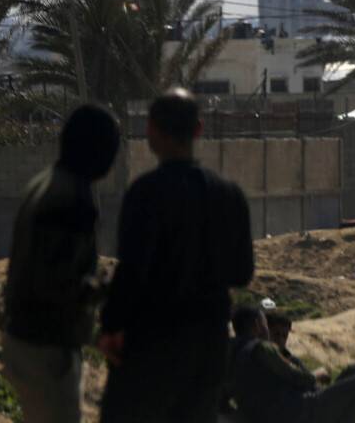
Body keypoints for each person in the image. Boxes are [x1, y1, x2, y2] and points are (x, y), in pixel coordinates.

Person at [98, 89, 255, 423]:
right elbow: (242, 273)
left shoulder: (145, 193)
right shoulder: (230, 196)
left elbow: (132, 271)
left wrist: (111, 326)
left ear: (152, 131)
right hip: (209, 348)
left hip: (152, 346)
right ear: (198, 130)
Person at [1, 104, 121, 423]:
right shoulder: (75, 199)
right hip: (46, 348)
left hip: (24, 340)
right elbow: (56, 284)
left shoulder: (45, 183)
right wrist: (106, 287)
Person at [230, 306, 355, 423]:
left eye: (284, 336)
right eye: (275, 333)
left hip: (295, 406)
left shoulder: (232, 351)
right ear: (258, 325)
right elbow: (297, 377)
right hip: (297, 411)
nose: (281, 340)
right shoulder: (262, 349)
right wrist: (316, 375)